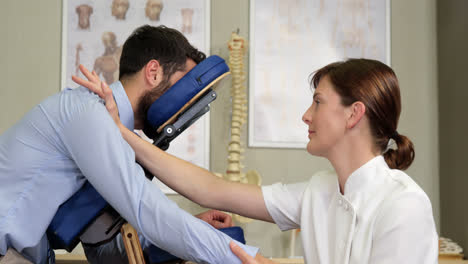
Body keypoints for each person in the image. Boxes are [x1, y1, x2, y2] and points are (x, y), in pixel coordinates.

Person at [76, 58, 439, 264]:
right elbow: (210, 189)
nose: (306, 116)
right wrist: (123, 135)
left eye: (318, 102)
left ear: (353, 114)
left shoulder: (403, 207)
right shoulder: (319, 192)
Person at [0, 25, 260, 264]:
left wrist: (194, 229)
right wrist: (244, 257)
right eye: (184, 86)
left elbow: (101, 241)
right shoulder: (89, 113)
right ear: (154, 72)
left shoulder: (112, 130)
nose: (185, 107)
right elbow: (145, 208)